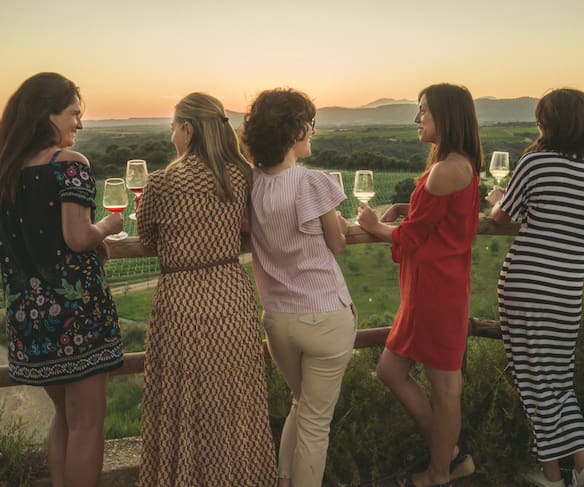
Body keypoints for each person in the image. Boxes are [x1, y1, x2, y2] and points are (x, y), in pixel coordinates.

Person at [136, 92, 276, 486]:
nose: (171, 138)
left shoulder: (161, 182)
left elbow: (146, 238)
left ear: (188, 129)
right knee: (236, 404)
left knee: (182, 405)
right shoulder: (243, 176)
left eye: (172, 129)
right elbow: (253, 227)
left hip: (180, 304)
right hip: (231, 299)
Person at [0, 72, 124, 487]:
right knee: (87, 423)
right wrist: (107, 228)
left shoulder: (7, 171)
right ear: (47, 115)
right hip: (78, 317)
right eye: (73, 114)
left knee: (64, 419)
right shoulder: (70, 165)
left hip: (28, 319)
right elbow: (77, 237)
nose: (80, 124)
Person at [357, 83, 481, 487]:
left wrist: (373, 225)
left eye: (423, 110)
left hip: (435, 292)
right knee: (390, 370)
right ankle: (450, 454)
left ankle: (439, 473)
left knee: (445, 388)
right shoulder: (458, 164)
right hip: (432, 289)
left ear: (446, 115)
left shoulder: (446, 169)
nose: (417, 118)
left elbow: (411, 237)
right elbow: (435, 221)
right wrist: (405, 208)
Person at [485, 88, 584, 487]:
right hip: (567, 289)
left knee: (534, 382)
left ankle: (553, 476)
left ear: (548, 124)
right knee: (559, 380)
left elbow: (501, 217)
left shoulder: (535, 162)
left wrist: (498, 197)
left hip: (527, 285)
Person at [240, 88, 356, 487]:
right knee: (315, 425)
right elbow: (336, 243)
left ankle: (284, 480)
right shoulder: (312, 182)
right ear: (294, 132)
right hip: (324, 315)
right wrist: (339, 225)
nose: (313, 131)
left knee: (300, 404)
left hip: (278, 320)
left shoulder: (251, 185)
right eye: (310, 124)